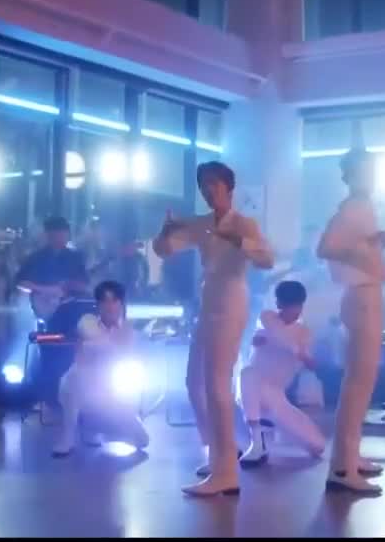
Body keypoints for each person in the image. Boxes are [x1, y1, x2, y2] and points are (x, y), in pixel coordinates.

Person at [154, 161, 274, 497]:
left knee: (217, 385)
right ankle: (221, 453)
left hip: (231, 301)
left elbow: (267, 259)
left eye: (214, 184)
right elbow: (164, 250)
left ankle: (226, 473)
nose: (208, 190)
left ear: (228, 188)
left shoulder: (244, 223)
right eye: (204, 185)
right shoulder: (202, 223)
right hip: (208, 304)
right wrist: (165, 231)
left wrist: (239, 240)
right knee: (194, 382)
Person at [316, 149, 385, 495]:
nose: (371, 177)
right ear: (349, 175)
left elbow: (349, 248)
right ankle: (342, 467)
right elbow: (326, 247)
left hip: (366, 294)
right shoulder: (353, 207)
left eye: (372, 170)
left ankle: (350, 456)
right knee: (358, 382)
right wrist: (362, 250)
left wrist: (371, 246)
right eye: (364, 171)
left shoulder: (363, 207)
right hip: (362, 297)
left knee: (362, 381)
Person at [53, 281, 150, 456]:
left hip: (117, 391)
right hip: (87, 386)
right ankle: (68, 438)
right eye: (105, 301)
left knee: (142, 441)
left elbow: (123, 353)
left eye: (114, 301)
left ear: (122, 303)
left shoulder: (129, 328)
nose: (109, 306)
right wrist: (107, 345)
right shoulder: (87, 322)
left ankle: (99, 428)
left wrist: (105, 346)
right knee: (72, 379)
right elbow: (95, 343)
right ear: (98, 305)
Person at [238, 280, 326, 467]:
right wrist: (291, 348)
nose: (295, 311)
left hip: (276, 396)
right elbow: (272, 332)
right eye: (290, 306)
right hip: (251, 391)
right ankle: (257, 442)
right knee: (247, 374)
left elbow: (311, 363)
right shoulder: (267, 318)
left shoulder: (303, 333)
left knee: (317, 446)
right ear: (279, 304)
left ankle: (266, 424)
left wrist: (304, 356)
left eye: (298, 306)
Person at [16, 216, 89, 322]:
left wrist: (71, 285)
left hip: (69, 308)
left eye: (64, 234)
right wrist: (42, 289)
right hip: (42, 307)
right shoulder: (34, 258)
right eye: (57, 234)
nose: (61, 238)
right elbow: (20, 283)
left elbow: (84, 284)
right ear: (48, 235)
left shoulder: (76, 258)